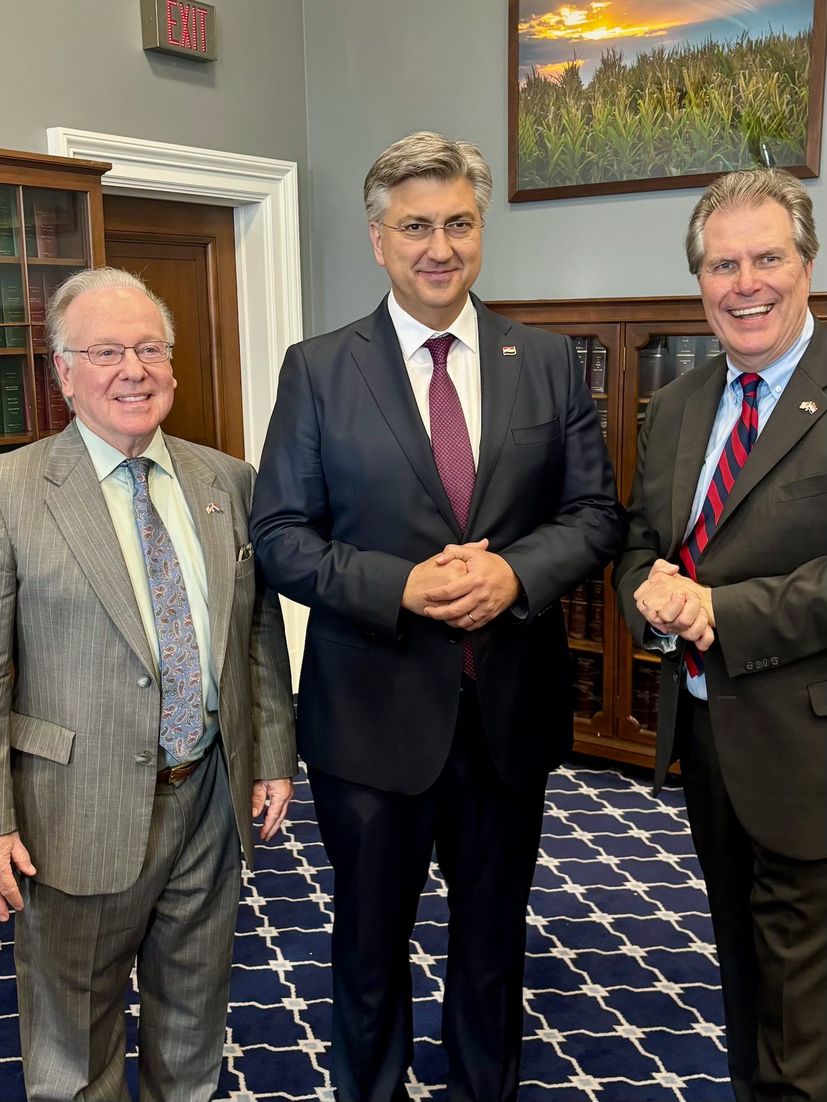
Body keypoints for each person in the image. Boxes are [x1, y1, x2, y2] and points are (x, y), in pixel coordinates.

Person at [250, 131, 626, 1102]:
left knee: (493, 944)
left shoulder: (547, 363)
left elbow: (594, 515)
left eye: (458, 223)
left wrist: (513, 574)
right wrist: (400, 587)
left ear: (480, 231)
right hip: (369, 719)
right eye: (415, 226)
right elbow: (280, 535)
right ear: (377, 239)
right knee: (368, 948)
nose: (439, 247)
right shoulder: (318, 370)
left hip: (506, 715)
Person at [0, 267, 297, 1102]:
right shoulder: (13, 492)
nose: (133, 370)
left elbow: (255, 629)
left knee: (194, 1023)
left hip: (207, 795)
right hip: (71, 810)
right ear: (63, 374)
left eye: (149, 349)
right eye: (105, 353)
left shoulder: (226, 480)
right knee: (73, 1050)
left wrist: (272, 753)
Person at [613, 168, 827, 1102]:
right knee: (742, 970)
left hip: (808, 742)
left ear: (807, 264)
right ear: (698, 279)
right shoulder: (679, 402)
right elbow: (639, 543)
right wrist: (648, 595)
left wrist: (718, 611)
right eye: (722, 264)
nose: (745, 284)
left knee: (804, 1005)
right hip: (705, 735)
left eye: (766, 259)